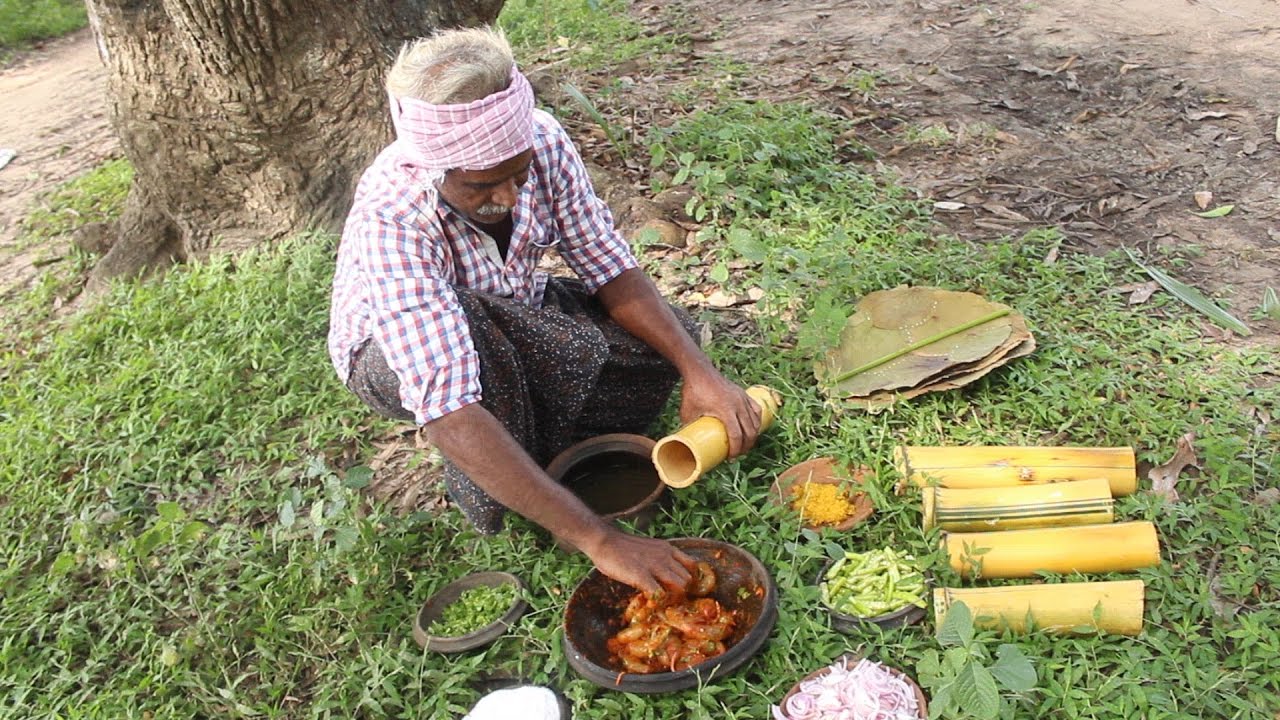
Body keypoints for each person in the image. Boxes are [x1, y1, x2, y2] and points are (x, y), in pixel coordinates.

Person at [328, 27, 761, 594]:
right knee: (491, 353)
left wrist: (698, 372)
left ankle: (535, 444)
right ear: (436, 171)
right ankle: (498, 489)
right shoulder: (394, 217)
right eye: (483, 185)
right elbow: (450, 407)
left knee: (660, 343)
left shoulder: (543, 140)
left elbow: (607, 263)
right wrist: (600, 539)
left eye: (519, 173)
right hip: (390, 353)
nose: (509, 196)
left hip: (511, 307)